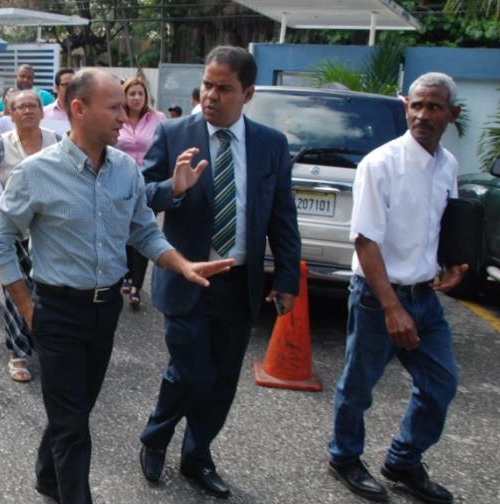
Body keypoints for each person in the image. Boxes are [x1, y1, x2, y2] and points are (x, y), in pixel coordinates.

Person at [0, 68, 235, 504]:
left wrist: (182, 264)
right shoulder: (36, 172)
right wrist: (27, 308)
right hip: (56, 310)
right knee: (73, 428)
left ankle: (48, 477)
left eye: (125, 106)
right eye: (115, 107)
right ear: (78, 109)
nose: (125, 115)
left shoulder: (125, 170)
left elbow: (144, 231)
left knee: (75, 410)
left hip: (105, 311)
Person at [137, 46, 301, 498]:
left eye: (224, 88)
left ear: (247, 93)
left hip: (240, 283)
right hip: (188, 277)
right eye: (207, 85)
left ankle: (197, 456)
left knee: (223, 379)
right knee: (192, 372)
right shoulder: (174, 133)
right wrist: (173, 188)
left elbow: (282, 216)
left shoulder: (270, 144)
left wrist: (287, 278)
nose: (210, 95)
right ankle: (155, 438)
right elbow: (140, 194)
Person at [327, 72, 466, 504]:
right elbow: (365, 240)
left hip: (425, 297)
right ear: (406, 106)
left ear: (452, 114)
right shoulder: (380, 164)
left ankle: (403, 460)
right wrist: (392, 308)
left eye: (434, 107)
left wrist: (453, 263)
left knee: (441, 383)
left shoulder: (448, 165)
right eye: (416, 105)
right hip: (377, 297)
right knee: (358, 386)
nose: (422, 115)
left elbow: (442, 223)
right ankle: (344, 457)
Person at [0, 89, 61, 383]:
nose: (27, 110)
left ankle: (47, 344)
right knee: (17, 290)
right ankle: (18, 353)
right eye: (20, 107)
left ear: (41, 112)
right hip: (14, 231)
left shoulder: (58, 142)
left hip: (51, 233)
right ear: (11, 114)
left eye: (33, 106)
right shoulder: (2, 146)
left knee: (50, 293)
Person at [117, 76, 166, 306]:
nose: (137, 98)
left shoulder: (158, 119)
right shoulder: (117, 117)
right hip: (120, 182)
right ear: (124, 96)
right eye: (132, 93)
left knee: (144, 229)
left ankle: (136, 284)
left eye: (141, 93)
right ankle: (126, 275)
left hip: (148, 184)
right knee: (123, 230)